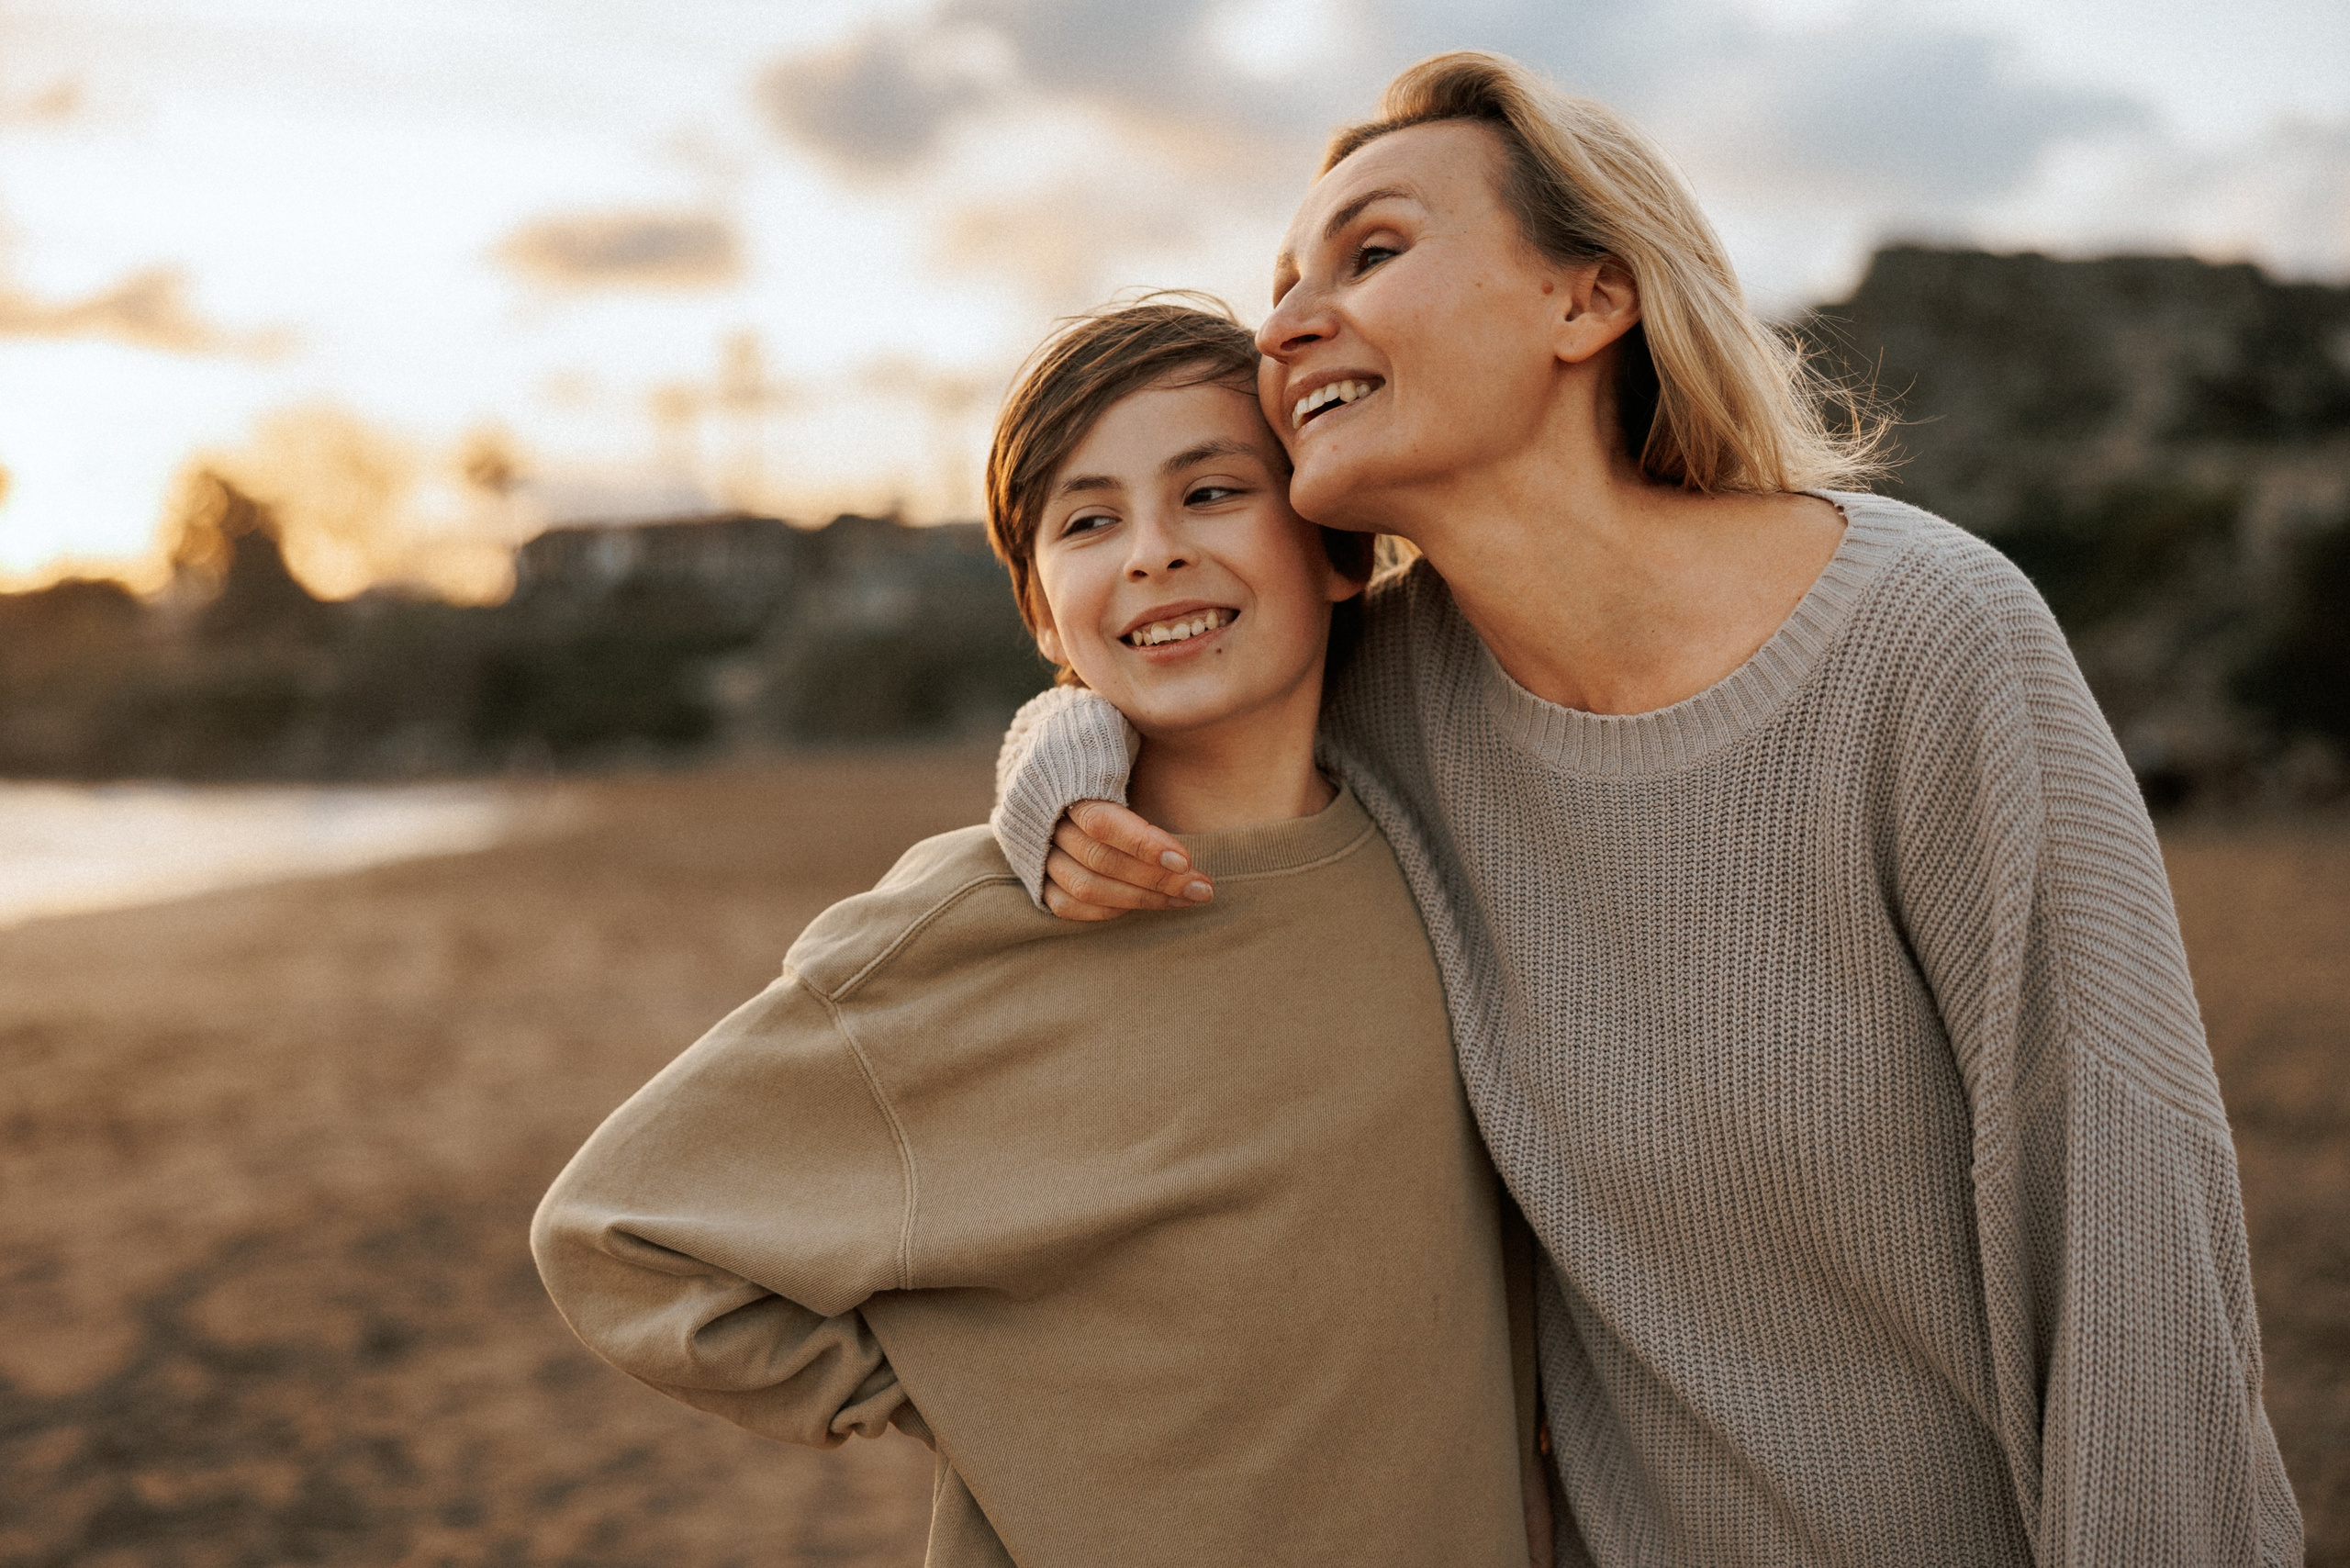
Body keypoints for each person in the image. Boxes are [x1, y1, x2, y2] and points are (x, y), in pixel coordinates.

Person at [992, 53, 2304, 1568]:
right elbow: (1140, 651)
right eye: (1283, 281)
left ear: (1587, 299)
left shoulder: (1927, 636)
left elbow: (2130, 1212)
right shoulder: (1387, 699)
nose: (1283, 328)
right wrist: (1060, 777)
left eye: (1371, 253)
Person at [532, 300, 1548, 1568]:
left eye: (1215, 492)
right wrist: (991, 1401)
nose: (1153, 554)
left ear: (1338, 548)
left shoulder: (1439, 836)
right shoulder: (968, 927)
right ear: (1041, 614)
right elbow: (615, 1233)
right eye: (1089, 521)